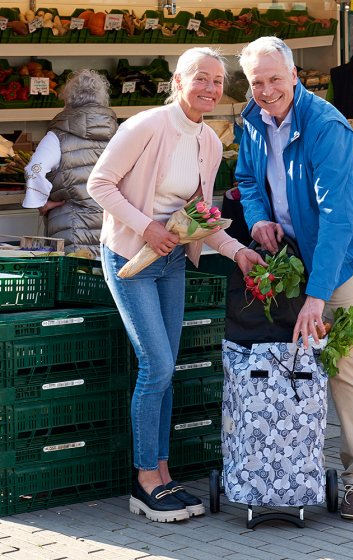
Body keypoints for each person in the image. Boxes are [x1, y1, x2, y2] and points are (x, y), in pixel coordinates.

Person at [87, 47, 264, 524]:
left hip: (171, 265)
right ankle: (145, 481)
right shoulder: (146, 126)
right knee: (157, 365)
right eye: (200, 79)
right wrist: (146, 227)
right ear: (178, 82)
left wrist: (238, 252)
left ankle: (164, 475)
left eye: (217, 81)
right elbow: (99, 185)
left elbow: (201, 219)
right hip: (130, 258)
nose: (210, 88)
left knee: (166, 371)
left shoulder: (209, 141)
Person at [236, 36, 353, 520]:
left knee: (341, 361)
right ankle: (294, 469)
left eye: (275, 79)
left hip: (335, 257)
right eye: (257, 82)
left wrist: (318, 294)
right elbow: (249, 180)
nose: (266, 90)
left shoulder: (327, 127)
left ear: (295, 75)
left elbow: (339, 216)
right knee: (287, 357)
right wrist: (256, 219)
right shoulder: (252, 120)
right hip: (287, 254)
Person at [23, 69, 118, 257]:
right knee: (106, 283)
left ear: (68, 99)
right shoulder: (120, 133)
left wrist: (42, 203)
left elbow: (35, 170)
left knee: (75, 280)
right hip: (113, 228)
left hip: (72, 228)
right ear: (103, 99)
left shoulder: (57, 137)